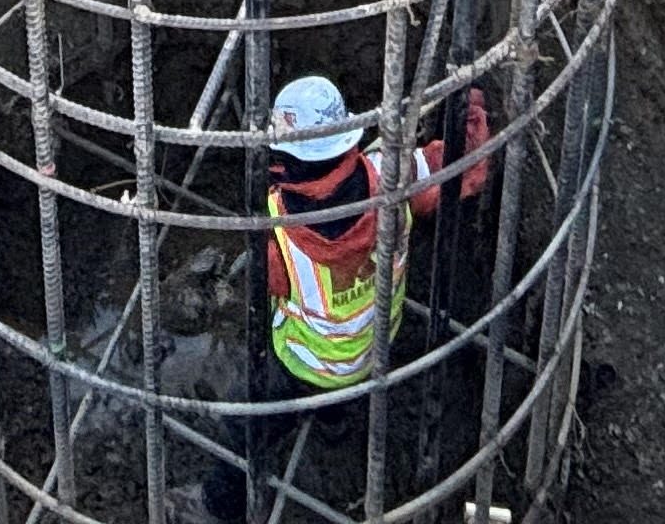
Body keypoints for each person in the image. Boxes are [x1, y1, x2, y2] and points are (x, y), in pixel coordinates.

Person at [199, 74, 490, 517]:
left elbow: (269, 289)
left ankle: (223, 505)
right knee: (343, 385)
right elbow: (466, 166)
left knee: (242, 425)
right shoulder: (396, 176)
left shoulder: (277, 227)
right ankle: (333, 422)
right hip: (375, 347)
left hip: (306, 362)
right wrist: (468, 104)